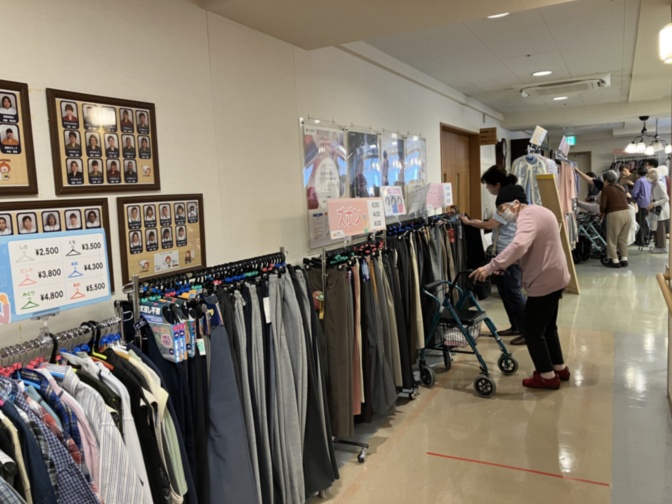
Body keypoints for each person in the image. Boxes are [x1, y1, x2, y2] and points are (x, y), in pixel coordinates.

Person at [471, 185, 570, 390]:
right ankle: (559, 368)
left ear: (516, 204)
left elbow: (519, 245)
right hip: (556, 276)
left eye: (502, 209)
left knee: (532, 330)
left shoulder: (527, 216)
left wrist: (490, 267)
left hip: (544, 281)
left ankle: (547, 376)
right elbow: (534, 246)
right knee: (548, 326)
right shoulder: (543, 211)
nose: (502, 215)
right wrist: (506, 265)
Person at [460, 166, 527, 344]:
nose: (488, 189)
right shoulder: (509, 197)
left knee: (513, 292)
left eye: (488, 186)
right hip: (503, 251)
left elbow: (491, 225)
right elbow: (494, 222)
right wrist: (475, 222)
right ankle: (516, 326)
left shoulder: (510, 202)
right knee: (506, 292)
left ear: (497, 184)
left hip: (510, 253)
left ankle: (527, 332)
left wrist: (469, 223)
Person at [599, 170, 632, 268]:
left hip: (615, 214)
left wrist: (602, 213)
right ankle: (624, 259)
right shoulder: (621, 187)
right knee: (623, 238)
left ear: (606, 180)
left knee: (612, 238)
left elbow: (603, 205)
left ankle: (614, 260)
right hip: (627, 213)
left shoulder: (606, 189)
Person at [647, 169, 670, 254]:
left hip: (661, 211)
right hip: (656, 210)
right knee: (656, 229)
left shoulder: (660, 184)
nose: (647, 176)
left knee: (660, 230)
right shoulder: (653, 185)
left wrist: (654, 204)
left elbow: (666, 198)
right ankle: (657, 246)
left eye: (649, 174)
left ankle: (662, 247)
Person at [631, 165, 652, 246]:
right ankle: (647, 238)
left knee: (640, 222)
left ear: (638, 173)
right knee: (646, 221)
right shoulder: (649, 180)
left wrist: (633, 199)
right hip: (648, 203)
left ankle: (641, 241)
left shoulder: (639, 181)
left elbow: (634, 193)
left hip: (640, 203)